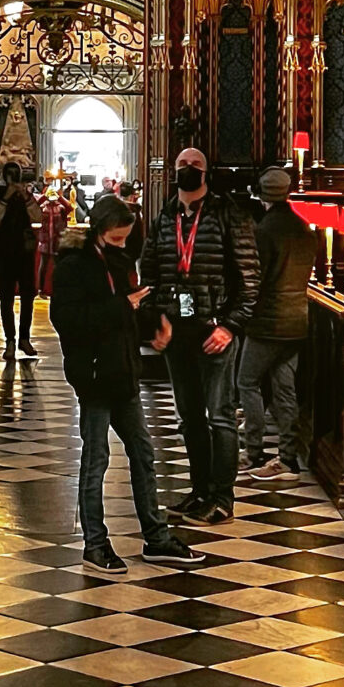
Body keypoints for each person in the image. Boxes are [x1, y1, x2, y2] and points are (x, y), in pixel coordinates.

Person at [51, 195, 205, 576]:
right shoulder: (74, 265)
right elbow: (68, 320)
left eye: (125, 239)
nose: (122, 245)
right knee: (96, 460)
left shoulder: (118, 262)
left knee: (143, 453)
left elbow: (132, 305)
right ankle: (95, 544)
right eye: (116, 239)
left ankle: (156, 538)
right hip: (95, 376)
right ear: (100, 232)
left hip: (123, 373)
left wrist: (154, 323)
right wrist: (126, 308)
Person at [139, 146, 258, 522]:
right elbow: (152, 274)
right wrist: (157, 317)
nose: (188, 170)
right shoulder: (164, 216)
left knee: (220, 416)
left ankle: (221, 498)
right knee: (189, 416)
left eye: (195, 166)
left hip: (214, 329)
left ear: (206, 173)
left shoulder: (227, 214)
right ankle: (199, 490)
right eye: (182, 166)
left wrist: (230, 326)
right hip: (178, 330)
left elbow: (251, 281)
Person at [240, 167, 318, 481]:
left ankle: (254, 452)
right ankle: (287, 458)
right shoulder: (304, 228)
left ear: (261, 196)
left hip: (267, 322)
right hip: (297, 319)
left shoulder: (265, 230)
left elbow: (255, 279)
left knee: (247, 382)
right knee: (285, 389)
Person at [0, 162, 41, 359]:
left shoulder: (25, 198)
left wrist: (26, 197)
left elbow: (37, 216)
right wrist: (7, 196)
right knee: (6, 297)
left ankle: (24, 338)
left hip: (24, 252)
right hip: (3, 253)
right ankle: (9, 340)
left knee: (28, 296)